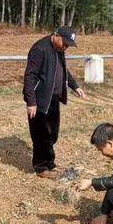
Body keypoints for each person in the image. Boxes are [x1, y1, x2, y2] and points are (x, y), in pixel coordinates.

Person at [23, 26, 85, 179]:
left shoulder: (59, 50)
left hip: (53, 98)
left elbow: (63, 71)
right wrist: (31, 101)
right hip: (39, 101)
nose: (66, 47)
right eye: (65, 43)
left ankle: (50, 163)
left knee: (52, 134)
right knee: (40, 135)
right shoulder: (39, 49)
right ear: (56, 35)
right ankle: (41, 168)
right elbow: (29, 76)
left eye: (68, 45)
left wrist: (75, 86)